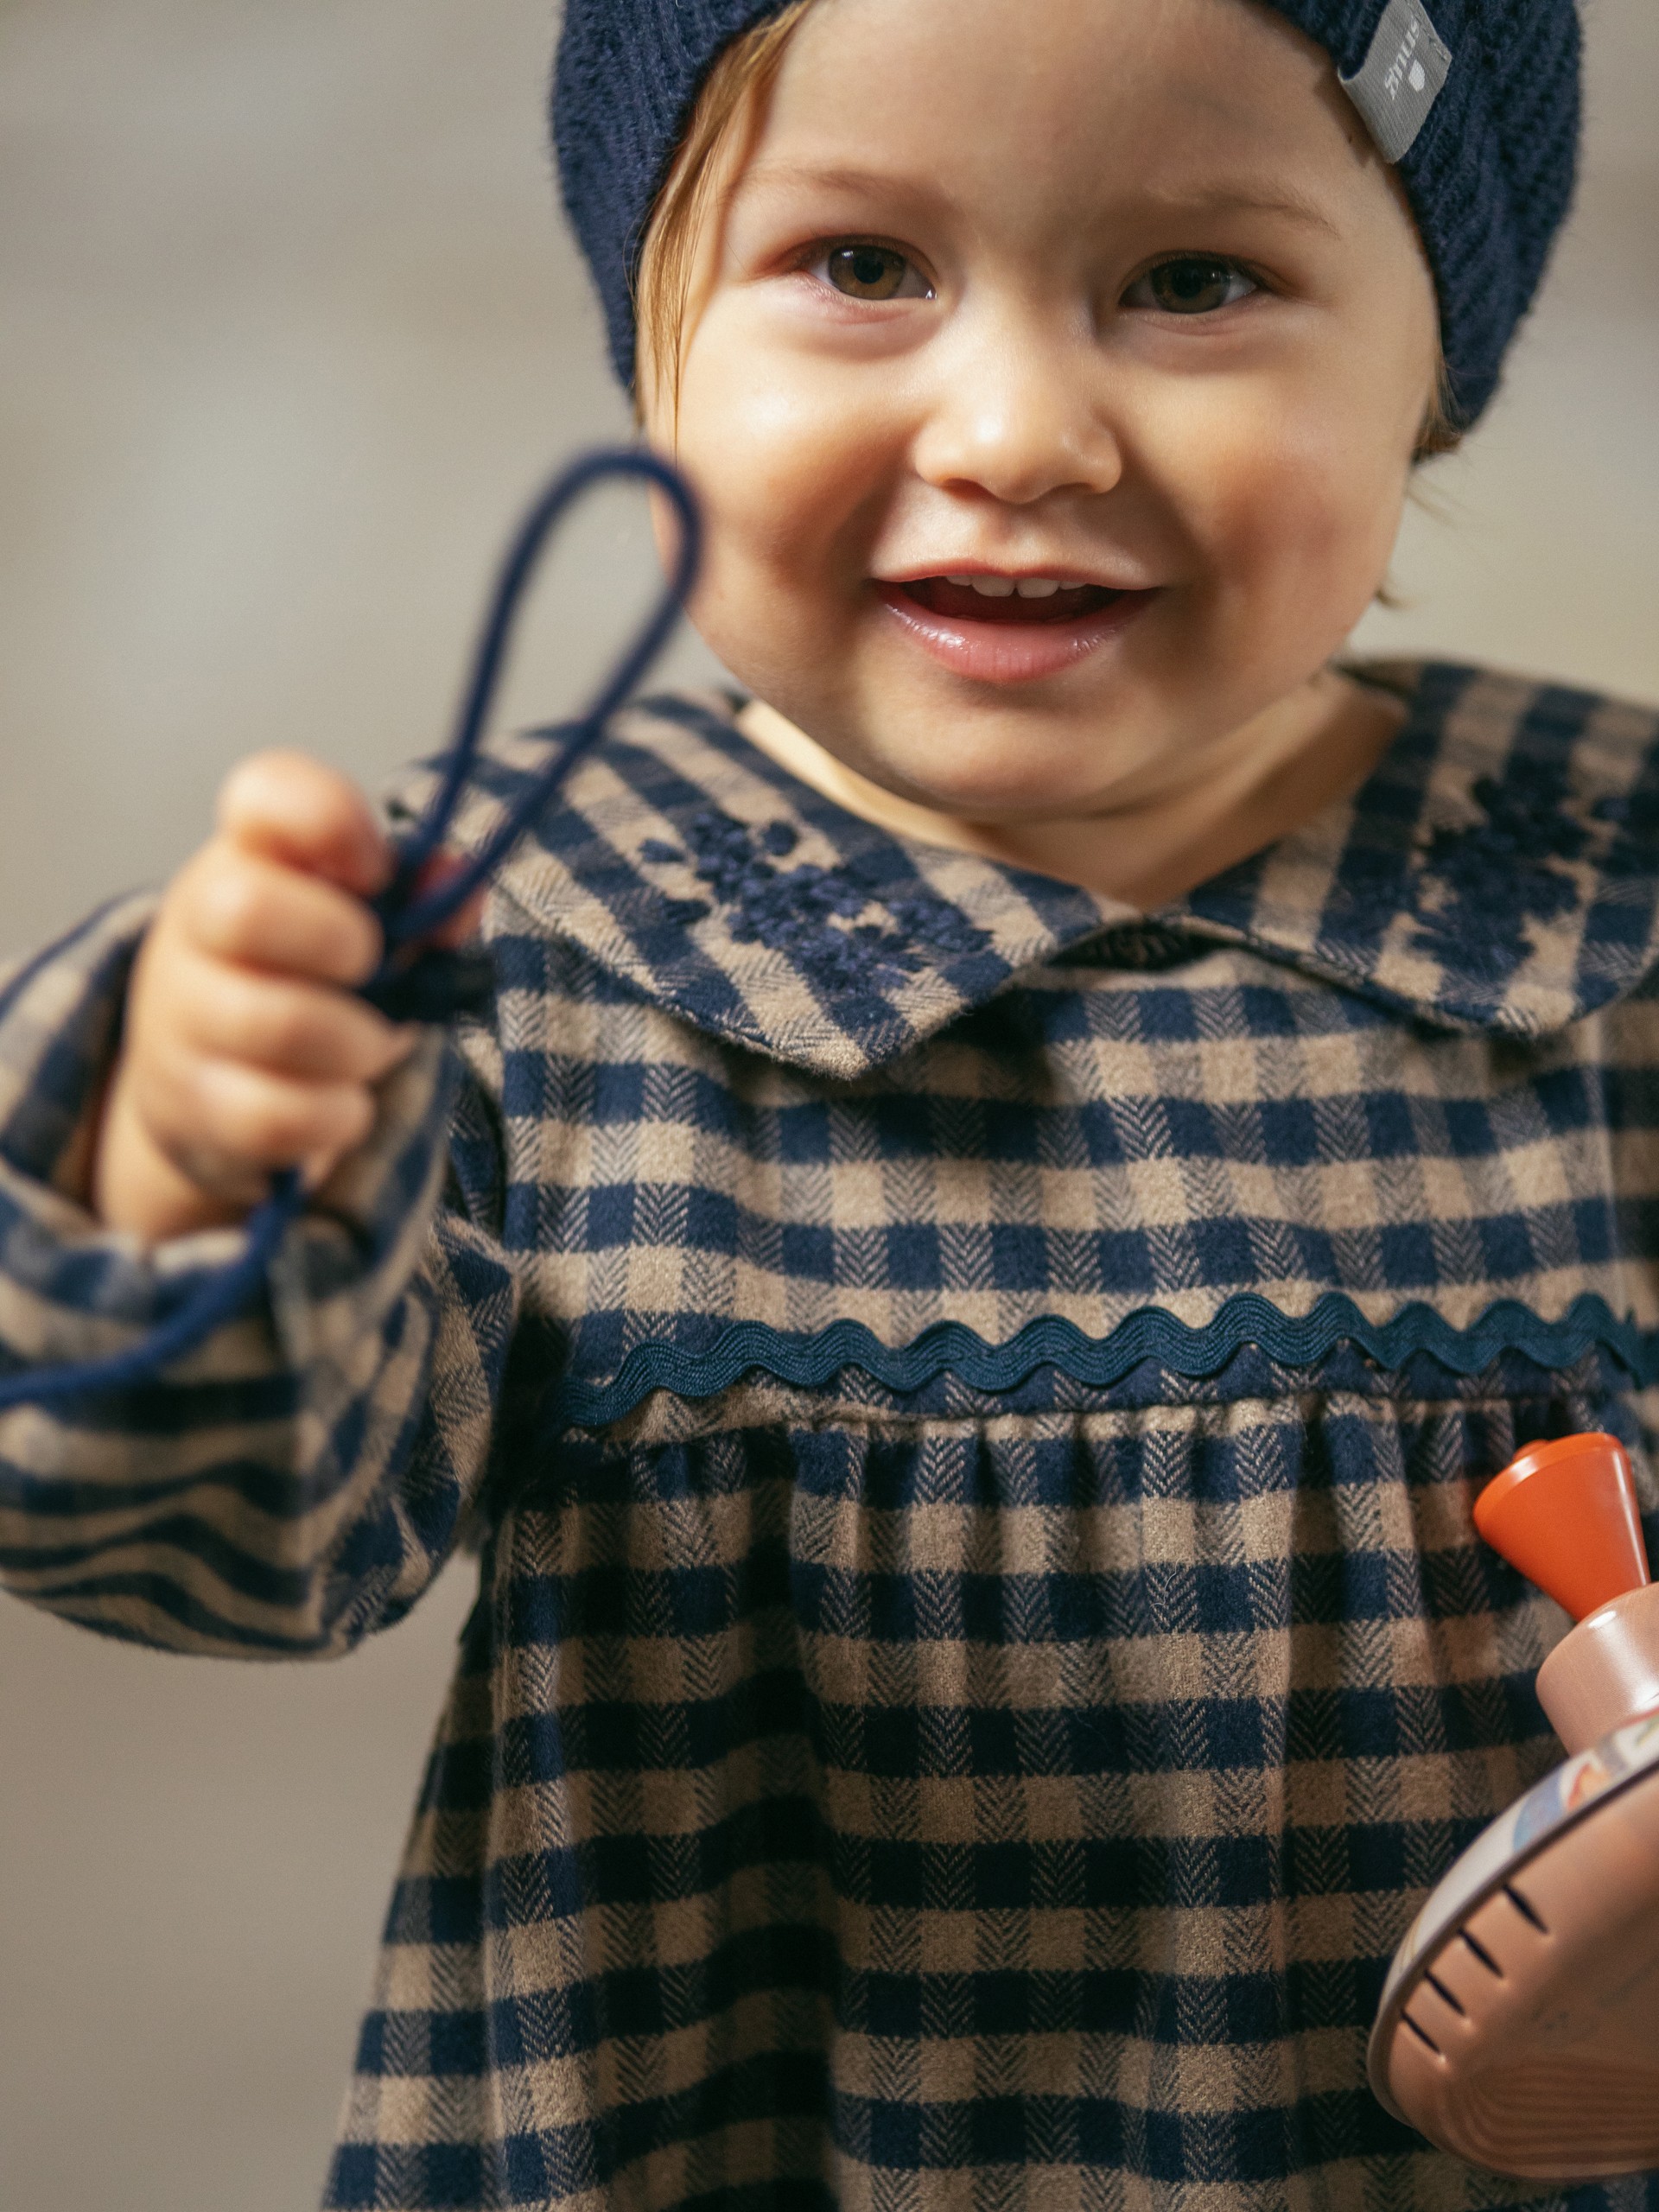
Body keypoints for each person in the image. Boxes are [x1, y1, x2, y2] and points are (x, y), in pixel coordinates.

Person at [2, 0, 1650, 2205]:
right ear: (657, 342)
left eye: (1196, 280)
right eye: (864, 265)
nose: (1022, 431)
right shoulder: (510, 949)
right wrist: (194, 1176)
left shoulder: (1615, 901)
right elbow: (216, 1548)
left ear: (1432, 365)